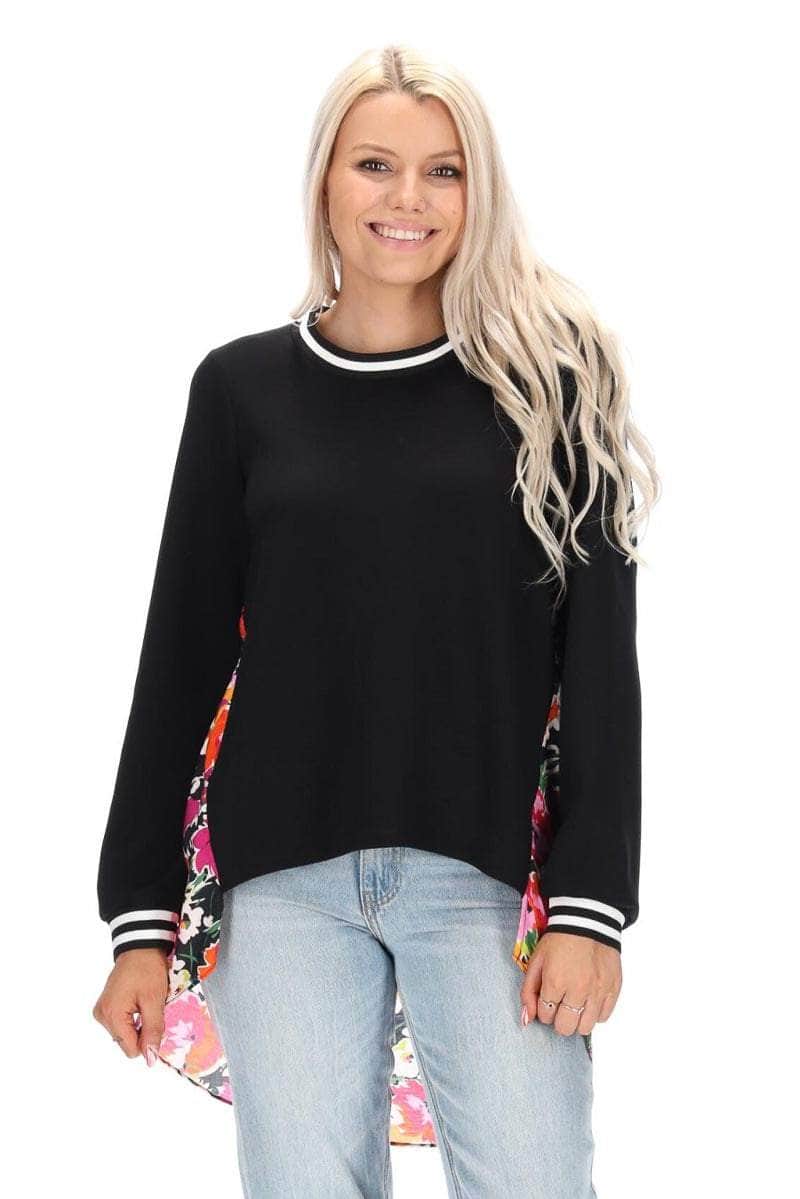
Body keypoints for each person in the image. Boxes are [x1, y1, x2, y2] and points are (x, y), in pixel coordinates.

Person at [92, 43, 659, 1198]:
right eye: (375, 165)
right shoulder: (240, 389)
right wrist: (138, 916)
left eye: (443, 170)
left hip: (488, 876)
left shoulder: (551, 379)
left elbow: (599, 660)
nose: (408, 198)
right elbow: (180, 657)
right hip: (279, 878)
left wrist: (591, 905)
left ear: (477, 189)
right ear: (324, 180)